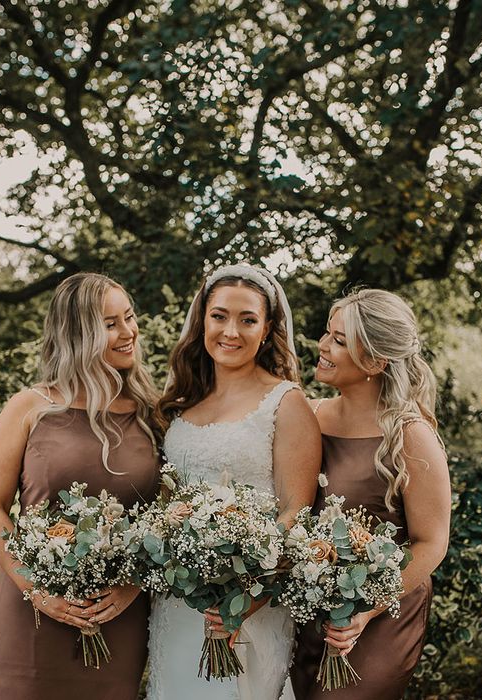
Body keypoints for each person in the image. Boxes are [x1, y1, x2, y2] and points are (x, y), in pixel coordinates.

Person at [0, 272, 161, 700]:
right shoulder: (29, 407)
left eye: (129, 318)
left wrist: (132, 585)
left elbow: (166, 514)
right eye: (109, 324)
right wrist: (36, 590)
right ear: (77, 334)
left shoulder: (153, 414)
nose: (127, 332)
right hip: (29, 615)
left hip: (117, 616)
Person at [146, 263, 322, 700]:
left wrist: (245, 598)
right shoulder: (183, 402)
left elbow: (295, 511)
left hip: (251, 603)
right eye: (219, 316)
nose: (231, 331)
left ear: (266, 330)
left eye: (248, 320)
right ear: (202, 320)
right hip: (179, 600)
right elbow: (169, 502)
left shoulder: (286, 402)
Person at [291, 288, 451, 700]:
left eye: (340, 341)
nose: (323, 346)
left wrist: (367, 609)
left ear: (376, 362)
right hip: (312, 604)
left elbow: (432, 541)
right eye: (328, 333)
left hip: (384, 611)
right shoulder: (309, 415)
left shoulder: (410, 436)